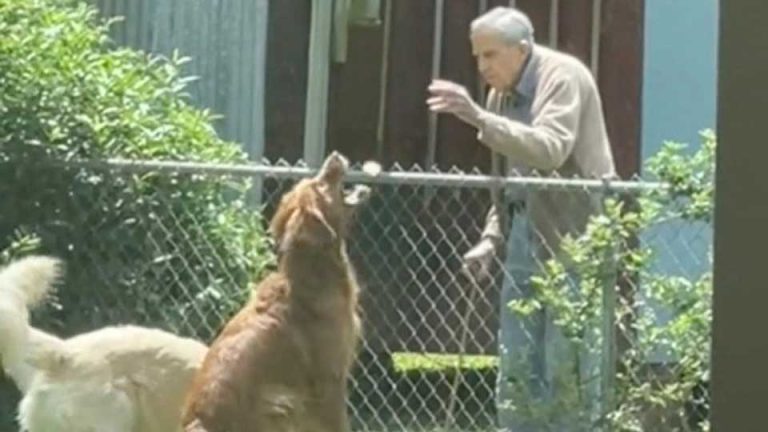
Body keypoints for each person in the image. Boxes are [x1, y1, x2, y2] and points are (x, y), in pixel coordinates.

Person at [426, 6, 616, 431]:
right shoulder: (499, 97)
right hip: (523, 234)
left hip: (577, 236)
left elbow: (551, 149)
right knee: (517, 355)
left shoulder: (561, 77)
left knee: (566, 359)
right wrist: (491, 239)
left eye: (491, 55)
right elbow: (512, 179)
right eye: (477, 56)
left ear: (523, 48)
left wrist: (477, 116)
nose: (482, 66)